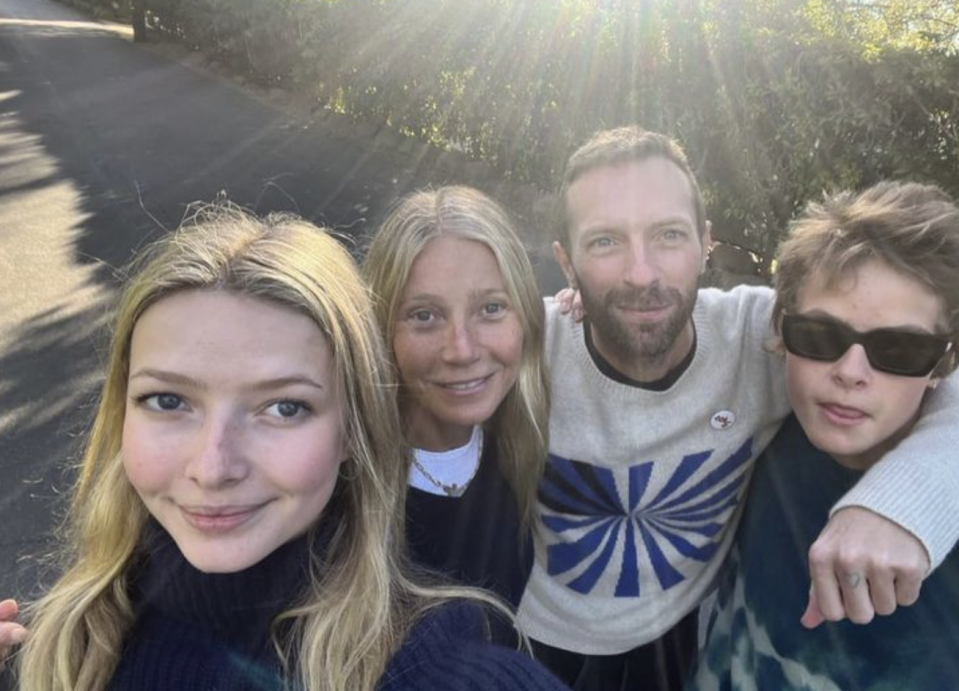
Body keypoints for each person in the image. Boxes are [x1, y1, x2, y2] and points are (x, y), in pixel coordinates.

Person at [0, 205, 569, 691]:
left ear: (352, 427)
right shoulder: (60, 653)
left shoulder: (518, 437)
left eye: (284, 407)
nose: (213, 467)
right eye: (169, 401)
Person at [516, 126, 959, 690]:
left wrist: (907, 501)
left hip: (671, 640)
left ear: (706, 243)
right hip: (531, 632)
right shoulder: (527, 348)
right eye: (605, 242)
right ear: (566, 262)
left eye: (668, 235)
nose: (642, 273)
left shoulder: (765, 339)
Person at [690, 181, 959, 690]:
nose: (851, 371)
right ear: (781, 331)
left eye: (899, 350)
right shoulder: (769, 422)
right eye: (820, 336)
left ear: (940, 364)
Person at [363, 186, 549, 610]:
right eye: (424, 316)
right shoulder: (343, 489)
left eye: (491, 309)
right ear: (381, 328)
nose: (461, 350)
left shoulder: (516, 443)